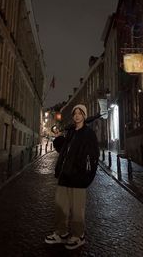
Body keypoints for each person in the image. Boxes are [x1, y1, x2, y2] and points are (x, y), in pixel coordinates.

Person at [45, 104, 100, 250]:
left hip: (78, 177)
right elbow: (62, 151)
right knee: (60, 207)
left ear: (84, 116)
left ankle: (78, 235)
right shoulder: (70, 133)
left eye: (80, 113)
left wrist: (87, 177)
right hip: (65, 175)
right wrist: (58, 139)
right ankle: (61, 233)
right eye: (75, 113)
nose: (77, 116)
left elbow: (94, 157)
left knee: (77, 210)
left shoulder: (88, 134)